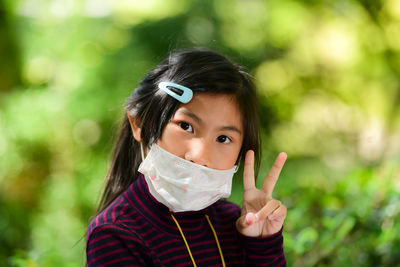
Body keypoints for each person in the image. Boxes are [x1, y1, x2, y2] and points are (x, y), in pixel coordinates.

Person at [86, 48, 287, 266]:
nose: (200, 156)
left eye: (223, 139)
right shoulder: (115, 235)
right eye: (186, 126)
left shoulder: (235, 222)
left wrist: (263, 245)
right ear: (141, 124)